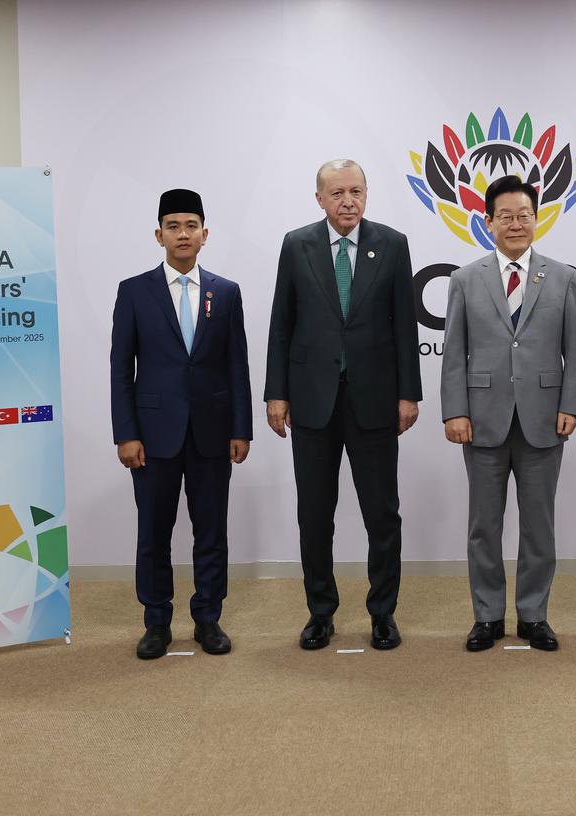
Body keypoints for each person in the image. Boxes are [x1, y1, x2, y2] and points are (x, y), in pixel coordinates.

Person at [265, 160, 422, 651]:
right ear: (319, 199)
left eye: (356, 191)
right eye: (337, 193)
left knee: (382, 514)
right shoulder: (297, 244)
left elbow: (404, 326)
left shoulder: (392, 244)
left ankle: (382, 613)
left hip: (374, 400)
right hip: (312, 401)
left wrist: (408, 394)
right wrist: (276, 393)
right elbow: (281, 324)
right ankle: (320, 612)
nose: (347, 201)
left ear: (367, 195)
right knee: (314, 515)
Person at [440, 175, 576, 652]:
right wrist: (454, 412)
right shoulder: (465, 279)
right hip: (481, 419)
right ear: (488, 222)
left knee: (538, 524)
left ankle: (533, 616)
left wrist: (571, 406)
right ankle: (487, 616)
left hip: (545, 419)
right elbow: (454, 352)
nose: (516, 224)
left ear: (537, 217)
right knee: (484, 526)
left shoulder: (564, 277)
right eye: (505, 216)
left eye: (524, 215)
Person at [110, 189, 252, 660]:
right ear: (159, 235)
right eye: (173, 226)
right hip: (152, 436)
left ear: (205, 234)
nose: (183, 233)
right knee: (153, 531)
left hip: (212, 432)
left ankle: (208, 617)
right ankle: (156, 621)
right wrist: (125, 433)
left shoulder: (226, 292)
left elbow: (237, 366)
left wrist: (241, 428)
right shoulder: (134, 291)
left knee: (211, 530)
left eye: (191, 225)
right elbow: (120, 368)